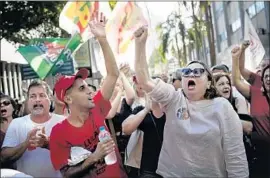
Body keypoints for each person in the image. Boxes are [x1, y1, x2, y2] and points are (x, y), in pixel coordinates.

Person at [133, 26, 249, 177]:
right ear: (182, 81)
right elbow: (145, 80)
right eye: (186, 72)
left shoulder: (222, 107)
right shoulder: (174, 99)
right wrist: (140, 44)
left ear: (208, 83)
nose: (191, 74)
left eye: (198, 72)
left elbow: (236, 157)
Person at [49, 12, 127, 178]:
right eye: (82, 89)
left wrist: (102, 39)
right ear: (68, 99)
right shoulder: (58, 132)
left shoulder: (96, 108)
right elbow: (66, 173)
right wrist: (95, 157)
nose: (90, 91)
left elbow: (113, 74)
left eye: (87, 87)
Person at [1, 80, 65, 177]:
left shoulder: (63, 122)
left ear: (50, 98)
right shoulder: (17, 123)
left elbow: (75, 154)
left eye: (42, 95)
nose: (37, 100)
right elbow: (4, 157)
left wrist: (48, 144)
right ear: (27, 101)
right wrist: (26, 143)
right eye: (32, 96)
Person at [231, 45, 270, 178]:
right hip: (262, 157)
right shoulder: (256, 93)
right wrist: (238, 55)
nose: (268, 78)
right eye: (266, 76)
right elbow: (238, 78)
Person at [122, 94, 165, 178]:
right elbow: (126, 129)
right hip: (149, 168)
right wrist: (146, 109)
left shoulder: (171, 110)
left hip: (172, 166)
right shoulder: (140, 110)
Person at [0, 94, 18, 169]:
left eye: (6, 103)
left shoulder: (21, 124)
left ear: (13, 107)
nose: (2, 105)